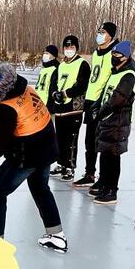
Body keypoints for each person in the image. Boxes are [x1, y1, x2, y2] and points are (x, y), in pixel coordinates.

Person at [0, 65, 68, 253]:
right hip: (47, 144)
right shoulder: (16, 85)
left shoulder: (2, 108)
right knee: (40, 188)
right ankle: (57, 235)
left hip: (29, 152)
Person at [89, 40, 135, 205]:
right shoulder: (114, 73)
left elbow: (117, 99)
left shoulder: (128, 76)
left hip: (118, 122)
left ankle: (112, 190)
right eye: (113, 54)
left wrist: (101, 112)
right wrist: (96, 108)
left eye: (117, 55)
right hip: (106, 121)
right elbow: (104, 93)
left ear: (125, 57)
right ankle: (104, 183)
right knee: (105, 154)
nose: (114, 57)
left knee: (113, 155)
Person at [73, 22, 119, 189]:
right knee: (90, 142)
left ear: (111, 36)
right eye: (99, 31)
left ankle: (105, 179)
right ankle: (89, 173)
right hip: (90, 101)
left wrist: (104, 102)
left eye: (103, 32)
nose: (99, 34)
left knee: (103, 142)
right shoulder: (96, 53)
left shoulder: (114, 54)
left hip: (103, 103)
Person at [50, 35, 90, 181]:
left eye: (71, 47)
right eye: (66, 47)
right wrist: (55, 94)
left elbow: (82, 85)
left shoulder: (82, 64)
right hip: (60, 107)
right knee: (59, 137)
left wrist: (67, 93)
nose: (68, 50)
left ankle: (70, 166)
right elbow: (55, 82)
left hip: (73, 107)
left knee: (71, 139)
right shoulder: (61, 64)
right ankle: (61, 163)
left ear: (76, 48)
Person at [34, 45, 59, 112]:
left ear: (53, 56)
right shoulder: (43, 69)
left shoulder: (56, 69)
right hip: (38, 104)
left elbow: (54, 89)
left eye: (47, 53)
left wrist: (50, 107)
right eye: (44, 53)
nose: (44, 55)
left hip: (48, 107)